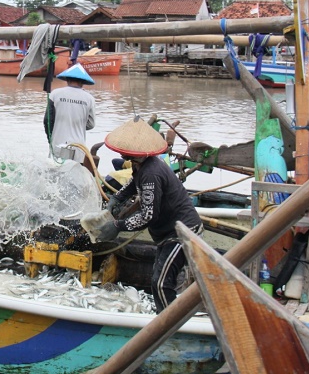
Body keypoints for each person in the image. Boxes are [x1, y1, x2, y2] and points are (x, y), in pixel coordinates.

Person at [83, 116, 203, 314]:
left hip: (182, 233)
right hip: (167, 233)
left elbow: (148, 215)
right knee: (159, 278)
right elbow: (133, 182)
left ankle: (168, 323)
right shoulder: (143, 166)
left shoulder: (151, 173)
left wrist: (117, 226)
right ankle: (163, 316)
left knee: (161, 283)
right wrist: (117, 198)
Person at [43, 63, 95, 162]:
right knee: (74, 172)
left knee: (55, 173)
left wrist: (50, 138)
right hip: (79, 146)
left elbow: (47, 121)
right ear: (83, 81)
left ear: (67, 79)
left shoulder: (55, 94)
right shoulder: (89, 99)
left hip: (58, 143)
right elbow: (91, 124)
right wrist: (78, 124)